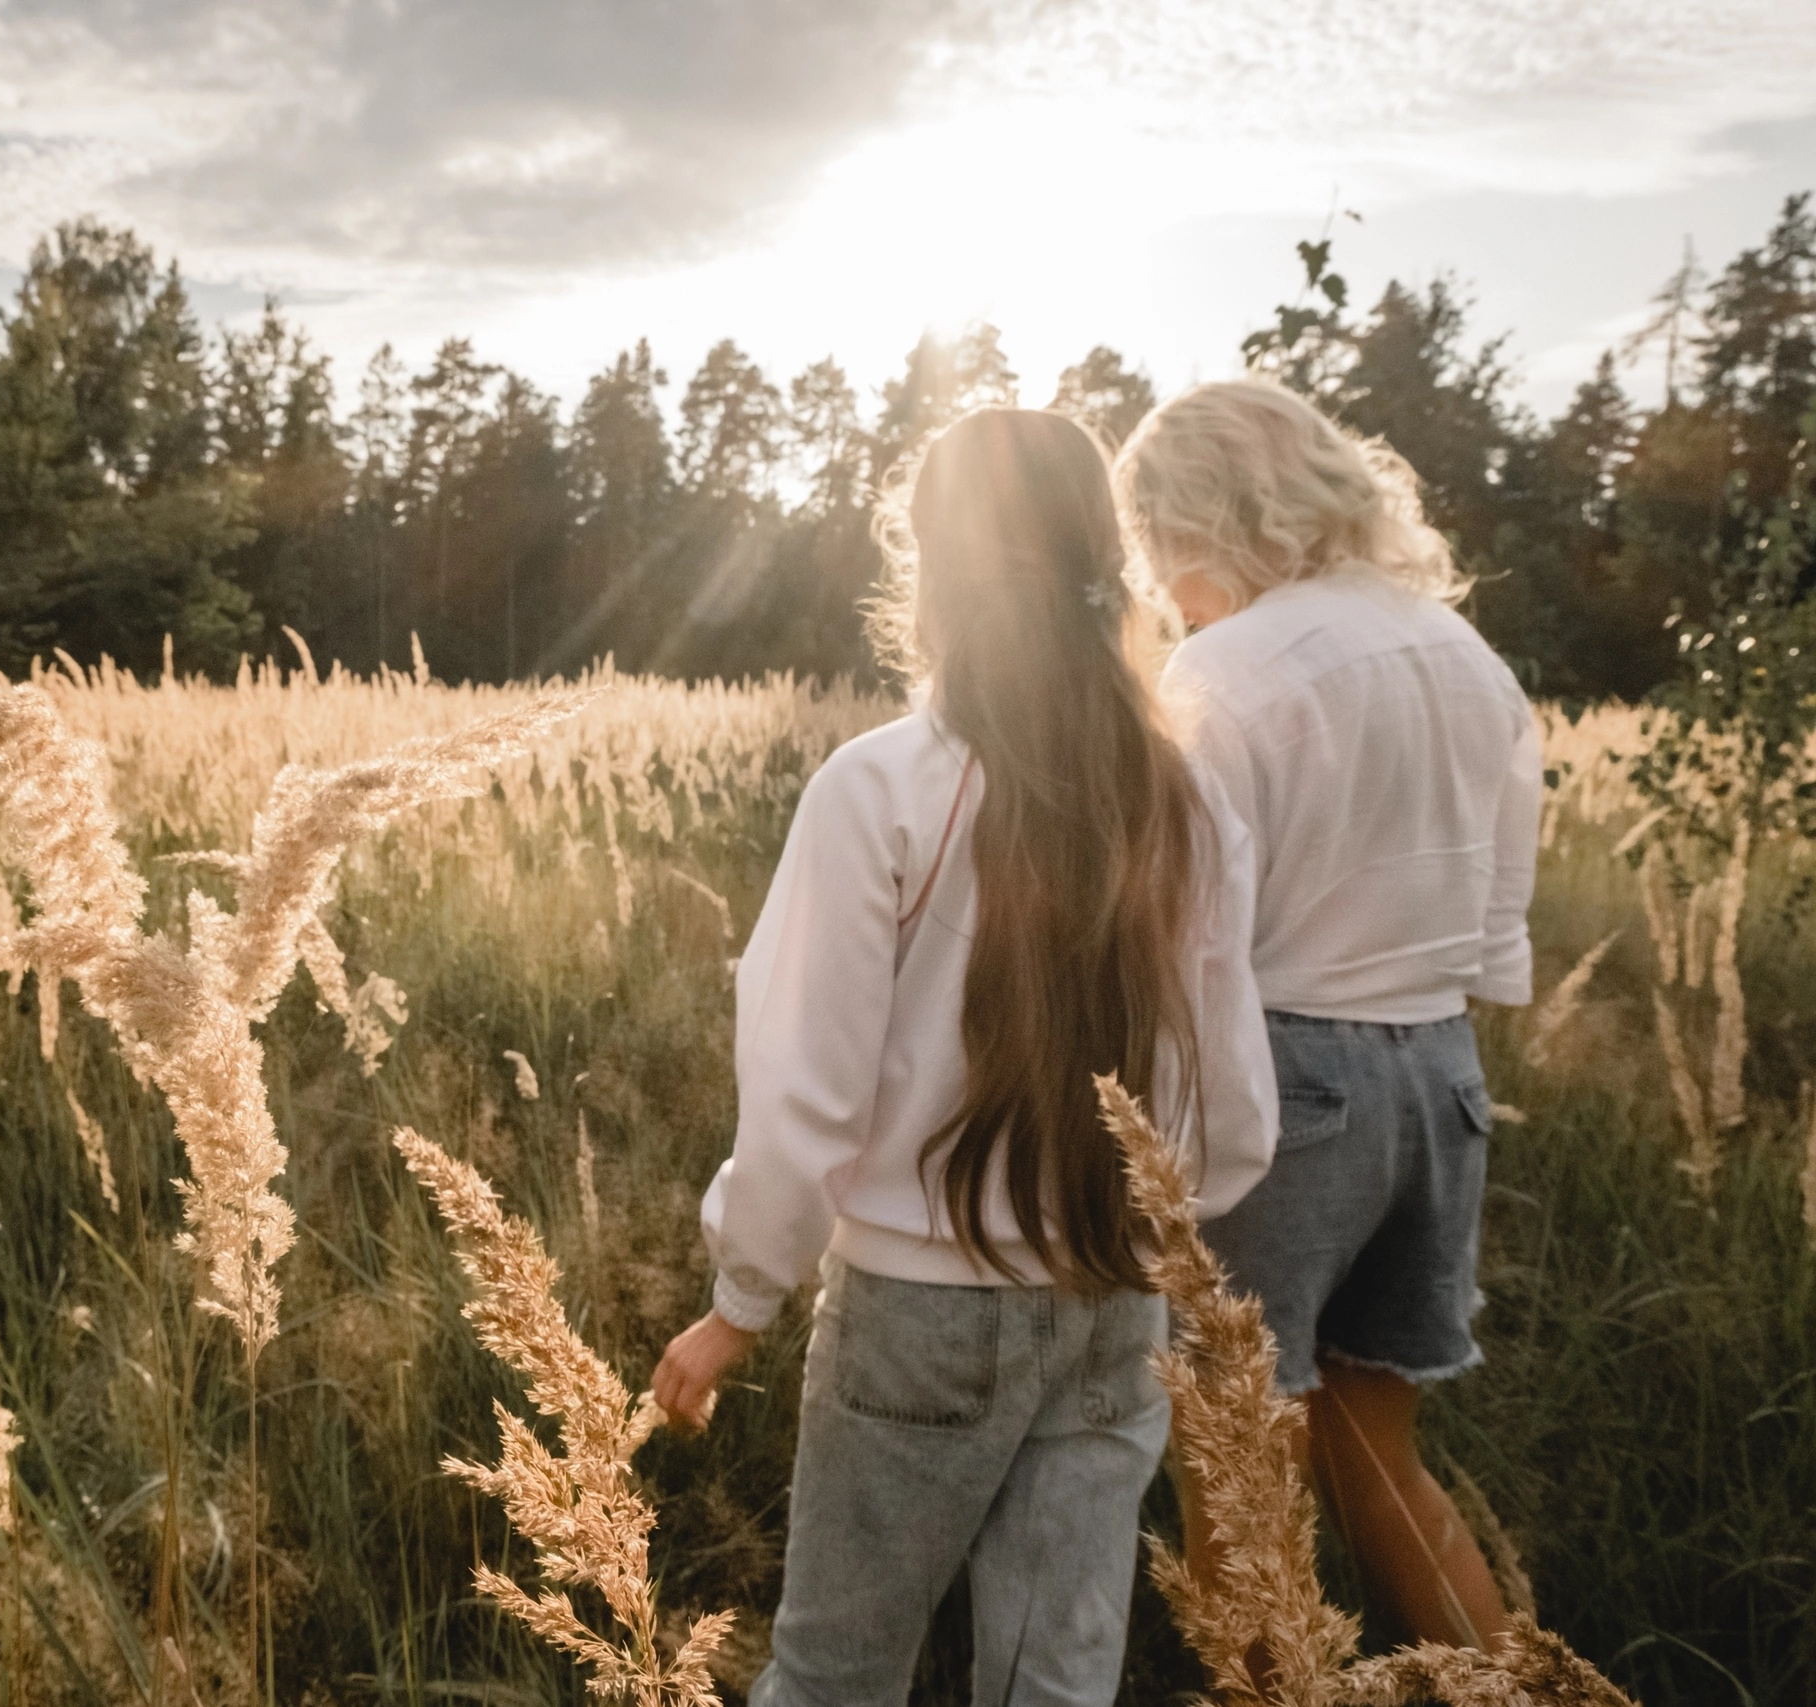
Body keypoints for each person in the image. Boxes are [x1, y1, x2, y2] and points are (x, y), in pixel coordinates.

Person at [651, 409, 1278, 1707]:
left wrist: (741, 1296)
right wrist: (1146, 1227)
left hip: (916, 1315)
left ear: (931, 571)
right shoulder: (1187, 797)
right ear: (1106, 559)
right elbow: (1234, 1113)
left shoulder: (877, 788)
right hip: (1116, 1296)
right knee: (1052, 1686)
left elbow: (802, 1093)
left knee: (834, 1675)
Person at [1112, 378, 1541, 1654]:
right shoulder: (1466, 655)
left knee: (1238, 1486)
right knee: (1375, 1462)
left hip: (1288, 1080)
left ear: (1194, 522)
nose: (1161, 591)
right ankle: (1505, 1689)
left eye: (1155, 553)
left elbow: (1183, 934)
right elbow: (1496, 926)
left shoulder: (1225, 669)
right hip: (1443, 1079)